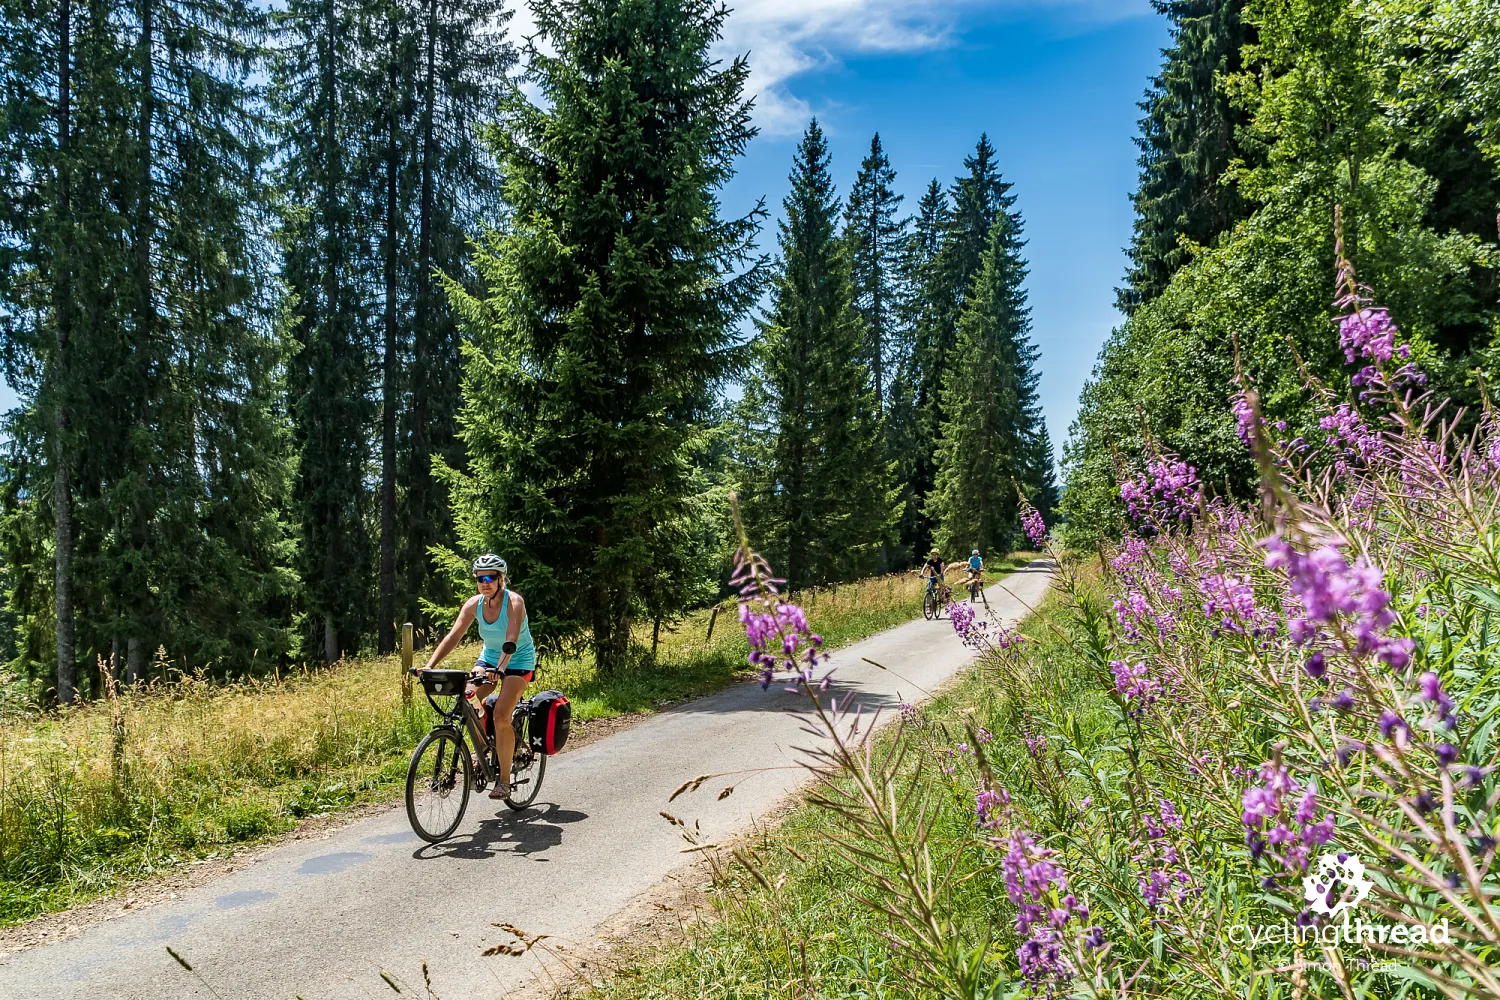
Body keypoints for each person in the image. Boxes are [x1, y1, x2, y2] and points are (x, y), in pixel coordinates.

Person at [420, 554, 537, 800]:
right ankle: (483, 750)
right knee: (467, 697)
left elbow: (511, 639)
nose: (484, 583)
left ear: (500, 579)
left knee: (501, 715)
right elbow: (453, 636)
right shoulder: (474, 604)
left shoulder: (514, 602)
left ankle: (504, 781)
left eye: (490, 578)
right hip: (490, 658)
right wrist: (429, 665)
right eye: (480, 578)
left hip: (518, 660)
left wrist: (501, 669)